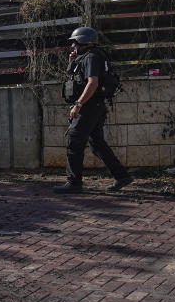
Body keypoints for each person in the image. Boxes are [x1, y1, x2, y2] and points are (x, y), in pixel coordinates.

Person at [54, 27, 134, 193]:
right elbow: (75, 77)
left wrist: (78, 104)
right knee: (97, 143)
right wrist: (72, 61)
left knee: (74, 142)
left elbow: (92, 83)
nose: (72, 46)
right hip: (94, 106)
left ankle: (74, 183)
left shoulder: (91, 56)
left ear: (84, 41)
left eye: (75, 42)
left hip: (89, 107)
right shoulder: (86, 56)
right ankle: (122, 176)